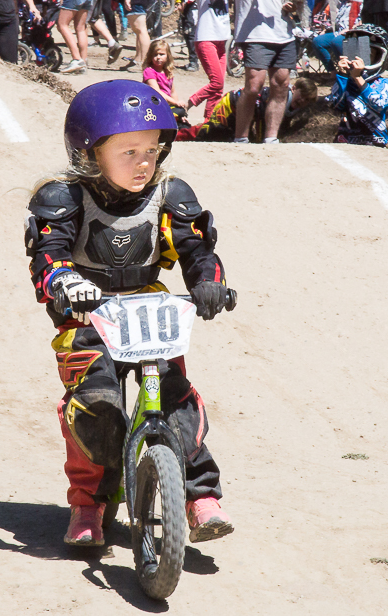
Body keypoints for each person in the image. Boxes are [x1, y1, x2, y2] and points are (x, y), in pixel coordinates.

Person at [26, 79, 235, 547]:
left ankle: (199, 497)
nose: (144, 162)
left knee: (176, 395)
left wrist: (208, 283)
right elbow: (48, 253)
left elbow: (197, 247)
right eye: (128, 152)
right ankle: (88, 504)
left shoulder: (169, 193)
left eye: (151, 150)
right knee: (95, 404)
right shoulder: (63, 198)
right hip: (86, 315)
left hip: (148, 306)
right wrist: (64, 282)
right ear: (89, 153)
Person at [230, 0, 297, 143]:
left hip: (282, 30)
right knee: (254, 85)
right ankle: (240, 139)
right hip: (255, 31)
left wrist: (290, 4)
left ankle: (271, 139)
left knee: (281, 84)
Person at [178, 79, 318, 143]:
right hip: (231, 104)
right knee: (209, 132)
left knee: (225, 138)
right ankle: (176, 134)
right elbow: (262, 120)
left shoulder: (292, 109)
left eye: (307, 100)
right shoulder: (278, 97)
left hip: (248, 116)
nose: (302, 101)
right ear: (293, 88)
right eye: (302, 95)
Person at [187, 0, 232, 120]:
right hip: (206, 39)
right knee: (216, 82)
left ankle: (209, 121)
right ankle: (190, 103)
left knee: (218, 89)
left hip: (222, 40)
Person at [325, 43, 388, 147]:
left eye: (368, 56)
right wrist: (343, 75)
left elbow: (379, 104)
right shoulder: (345, 81)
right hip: (346, 141)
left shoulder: (384, 83)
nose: (360, 61)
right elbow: (334, 105)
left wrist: (358, 78)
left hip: (374, 141)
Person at [142, 38, 188, 121]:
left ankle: (177, 118)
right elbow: (156, 91)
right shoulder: (149, 71)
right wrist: (175, 103)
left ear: (167, 56)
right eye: (155, 55)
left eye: (161, 54)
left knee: (182, 113)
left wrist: (177, 105)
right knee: (177, 112)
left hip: (167, 104)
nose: (158, 57)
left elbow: (173, 92)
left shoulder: (167, 71)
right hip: (155, 104)